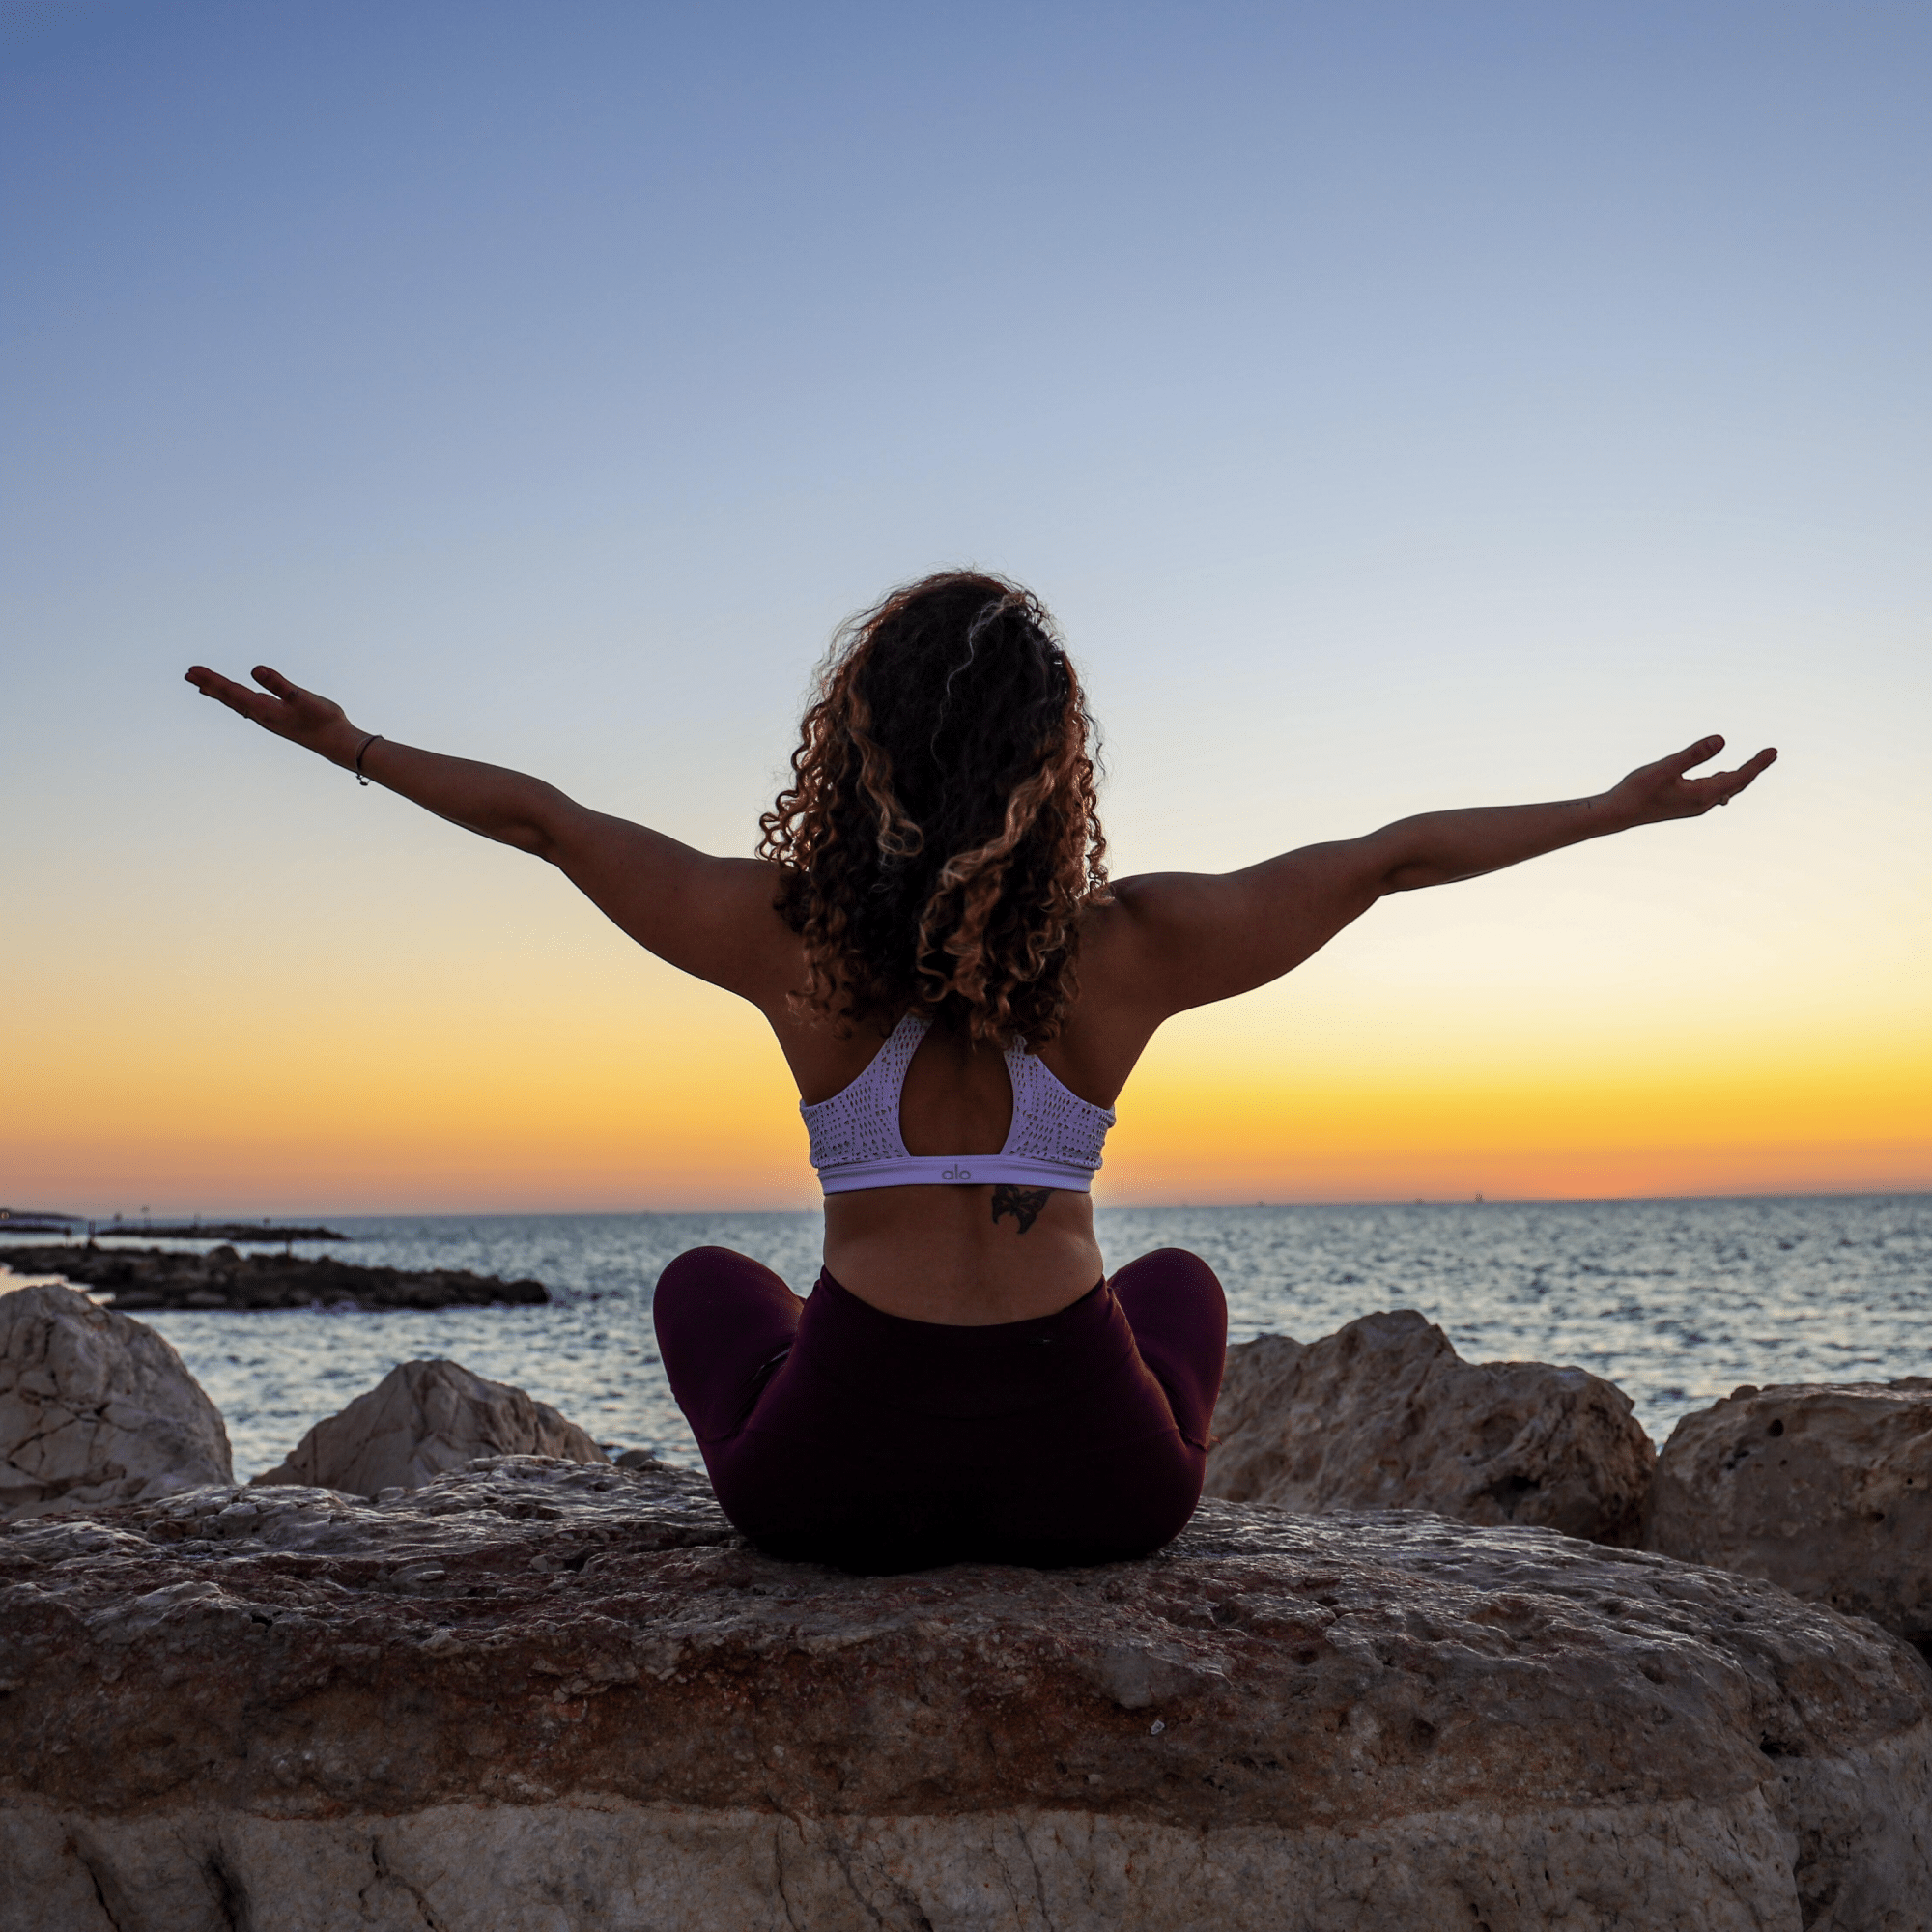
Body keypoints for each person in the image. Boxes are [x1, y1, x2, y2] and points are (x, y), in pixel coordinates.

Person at [186, 570, 1776, 1571]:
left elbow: (548, 821)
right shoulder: (1133, 950)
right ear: (1054, 766)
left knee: (702, 1284)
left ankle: (840, 1355)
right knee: (1182, 1289)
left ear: (850, 749)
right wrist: (1610, 808)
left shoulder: (786, 937)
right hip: (1098, 1490)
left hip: (826, 1490)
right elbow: (1391, 860)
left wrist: (353, 746)